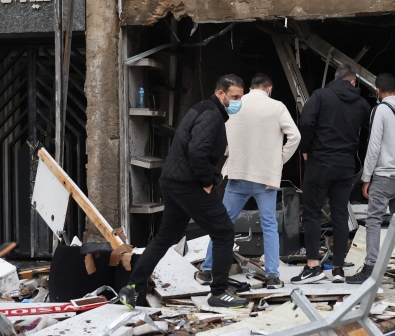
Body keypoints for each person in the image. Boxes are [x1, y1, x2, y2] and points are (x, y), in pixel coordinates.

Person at [120, 75, 249, 309]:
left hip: (172, 182)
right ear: (221, 94)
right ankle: (219, 292)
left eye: (241, 97)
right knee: (223, 232)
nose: (238, 101)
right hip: (189, 184)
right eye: (235, 97)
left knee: (165, 237)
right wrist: (208, 180)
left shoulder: (201, 109)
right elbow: (197, 151)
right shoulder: (211, 115)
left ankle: (131, 287)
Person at [197, 73, 300, 289]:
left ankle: (207, 269)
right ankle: (272, 275)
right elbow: (295, 136)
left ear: (250, 88)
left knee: (223, 222)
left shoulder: (234, 103)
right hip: (265, 177)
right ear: (269, 88)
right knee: (270, 225)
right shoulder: (277, 107)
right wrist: (278, 160)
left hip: (238, 173)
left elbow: (221, 137)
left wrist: (229, 152)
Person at [295, 66, 371, 284]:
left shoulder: (320, 96)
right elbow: (372, 129)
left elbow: (307, 122)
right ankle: (338, 269)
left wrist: (306, 149)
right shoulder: (361, 103)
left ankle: (312, 266)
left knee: (311, 213)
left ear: (335, 79)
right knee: (340, 215)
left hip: (320, 162)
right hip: (346, 165)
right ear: (354, 82)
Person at [347, 73, 395, 286]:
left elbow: (374, 146)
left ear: (377, 91)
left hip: (385, 175)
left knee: (373, 220)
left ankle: (370, 269)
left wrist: (366, 177)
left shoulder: (381, 110)